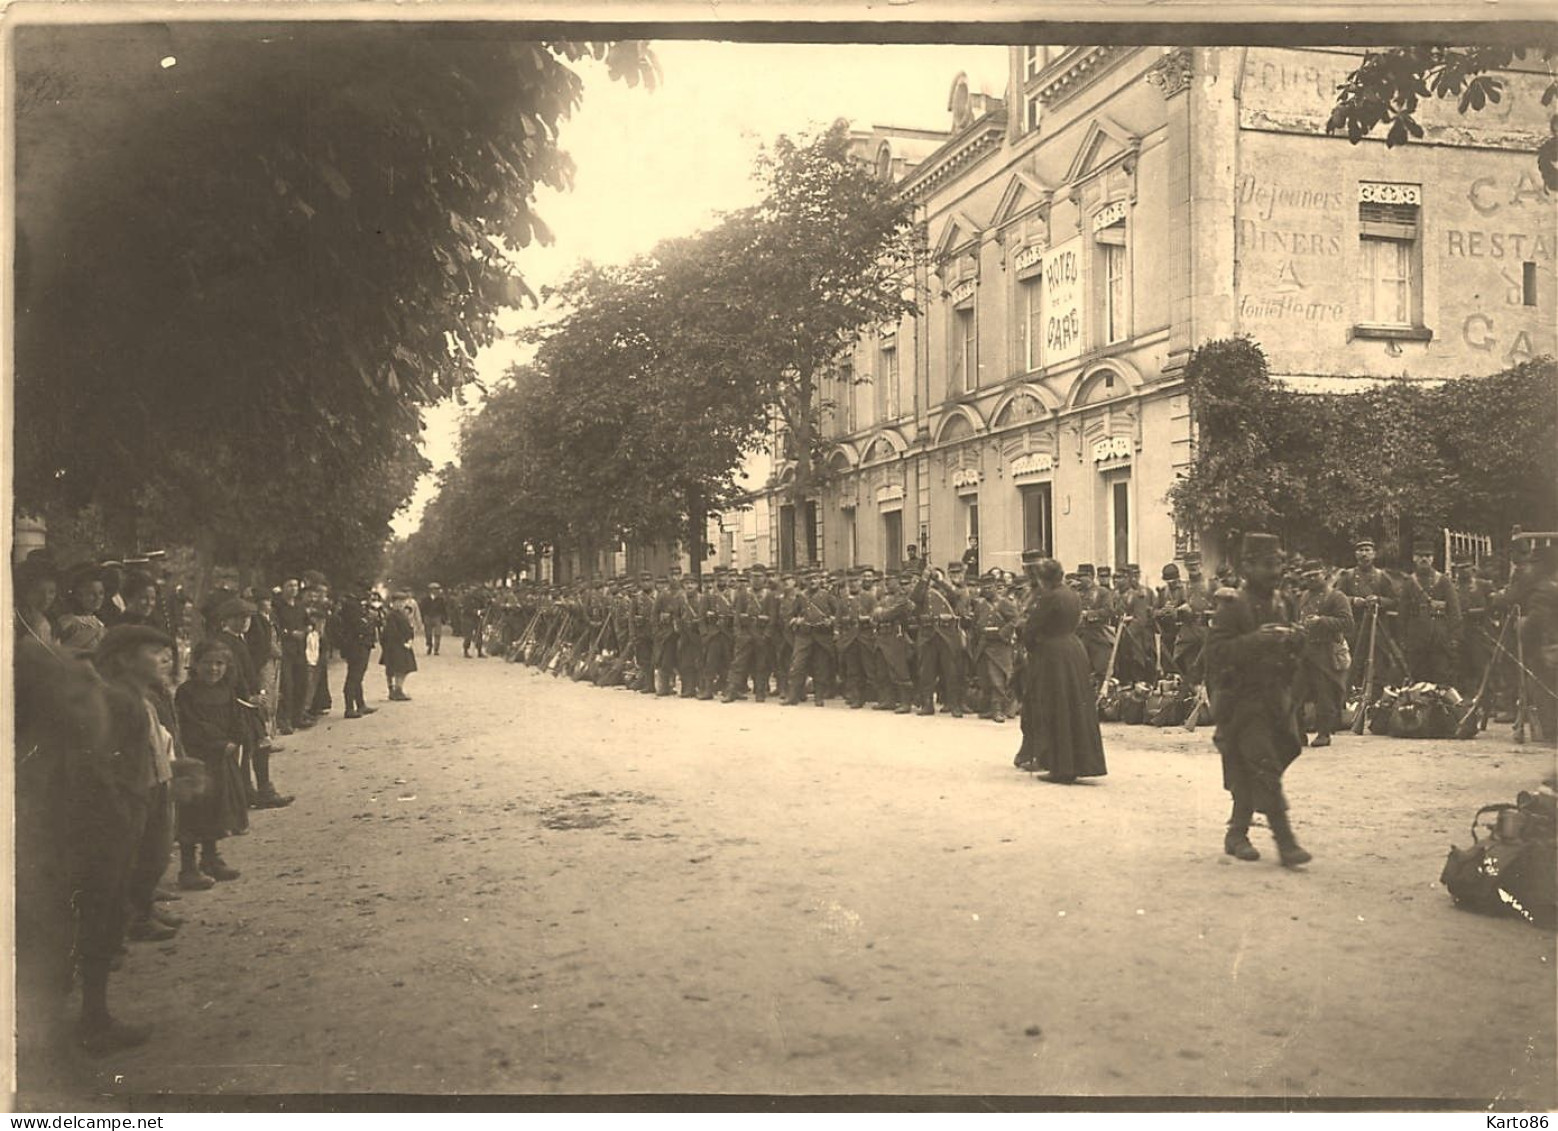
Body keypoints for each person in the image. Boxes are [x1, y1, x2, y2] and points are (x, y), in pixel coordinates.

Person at [79, 625, 178, 1053]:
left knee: (112, 905)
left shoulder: (140, 698)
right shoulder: (119, 701)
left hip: (134, 809)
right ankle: (93, 1020)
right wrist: (122, 807)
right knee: (102, 908)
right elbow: (100, 764)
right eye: (154, 652)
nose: (166, 659)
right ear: (121, 659)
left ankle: (94, 1013)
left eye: (166, 652)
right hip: (114, 819)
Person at [1206, 533, 1311, 866]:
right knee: (1263, 766)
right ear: (1247, 566)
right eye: (1268, 564)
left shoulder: (1285, 601)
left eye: (1279, 562)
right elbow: (1215, 654)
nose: (1276, 570)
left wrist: (1295, 638)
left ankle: (1236, 833)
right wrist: (1256, 640)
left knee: (1264, 762)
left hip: (1277, 699)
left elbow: (1299, 645)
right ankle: (1286, 842)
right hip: (1243, 702)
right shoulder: (1232, 607)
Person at [1013, 557, 1107, 782]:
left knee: (1056, 708)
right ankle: (1081, 763)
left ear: (1043, 579)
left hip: (1053, 654)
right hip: (1074, 650)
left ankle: (1061, 767)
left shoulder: (1049, 597)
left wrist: (1027, 640)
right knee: (1076, 707)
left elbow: (1032, 628)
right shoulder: (1071, 594)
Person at [173, 640, 251, 888]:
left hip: (221, 761)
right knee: (194, 810)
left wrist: (237, 738)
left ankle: (211, 857)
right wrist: (219, 743)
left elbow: (236, 718)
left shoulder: (227, 691)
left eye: (220, 663)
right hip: (199, 759)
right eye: (207, 663)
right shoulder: (186, 692)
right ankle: (188, 866)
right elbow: (191, 725)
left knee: (216, 807)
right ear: (195, 664)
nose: (214, 669)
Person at [1291, 560, 1355, 747]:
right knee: (1295, 693)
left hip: (1326, 651)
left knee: (1324, 694)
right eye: (1307, 576)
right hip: (1304, 651)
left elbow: (1348, 623)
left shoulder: (1336, 597)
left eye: (1315, 575)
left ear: (1324, 574)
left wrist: (1322, 621)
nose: (1311, 579)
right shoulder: (1302, 597)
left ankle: (1324, 733)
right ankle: (1299, 733)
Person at [1400, 538, 1462, 687]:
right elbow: (1402, 613)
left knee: (1441, 678)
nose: (1424, 559)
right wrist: (1403, 638)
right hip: (1416, 640)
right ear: (1414, 558)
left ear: (1433, 559)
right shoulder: (1409, 582)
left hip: (1439, 639)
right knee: (1417, 680)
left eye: (1427, 556)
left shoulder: (1443, 581)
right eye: (1420, 556)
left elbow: (1455, 611)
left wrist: (1453, 637)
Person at [973, 568, 1020, 723]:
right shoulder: (980, 605)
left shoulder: (1004, 603)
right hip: (984, 644)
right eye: (984, 588)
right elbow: (977, 623)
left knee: (998, 678)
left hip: (1000, 646)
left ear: (995, 586)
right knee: (985, 677)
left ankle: (998, 709)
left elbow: (1015, 620)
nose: (986, 590)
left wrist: (1002, 632)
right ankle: (988, 708)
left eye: (990, 587)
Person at [334, 588, 379, 719]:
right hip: (356, 645)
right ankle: (349, 708)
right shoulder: (351, 606)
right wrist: (370, 619)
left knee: (357, 675)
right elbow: (358, 625)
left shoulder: (355, 605)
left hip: (359, 644)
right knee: (354, 676)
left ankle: (360, 704)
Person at [56, 564, 109, 654]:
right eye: (91, 594)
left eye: (101, 593)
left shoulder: (97, 621)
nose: (98, 598)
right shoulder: (70, 623)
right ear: (78, 596)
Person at [380, 592, 418, 701]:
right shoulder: (391, 615)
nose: (401, 604)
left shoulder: (403, 614)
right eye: (399, 602)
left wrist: (410, 638)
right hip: (395, 646)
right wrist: (403, 642)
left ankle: (398, 688)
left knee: (404, 668)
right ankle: (395, 690)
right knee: (396, 668)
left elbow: (409, 628)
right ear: (394, 603)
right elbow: (392, 632)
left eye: (403, 602)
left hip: (403, 644)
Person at [420, 583, 448, 656]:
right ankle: (429, 645)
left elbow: (443, 609)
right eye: (433, 589)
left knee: (438, 634)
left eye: (436, 589)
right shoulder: (425, 599)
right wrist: (423, 618)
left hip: (437, 617)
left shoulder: (440, 600)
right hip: (428, 616)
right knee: (428, 633)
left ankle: (436, 649)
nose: (435, 591)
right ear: (430, 590)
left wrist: (445, 618)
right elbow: (422, 609)